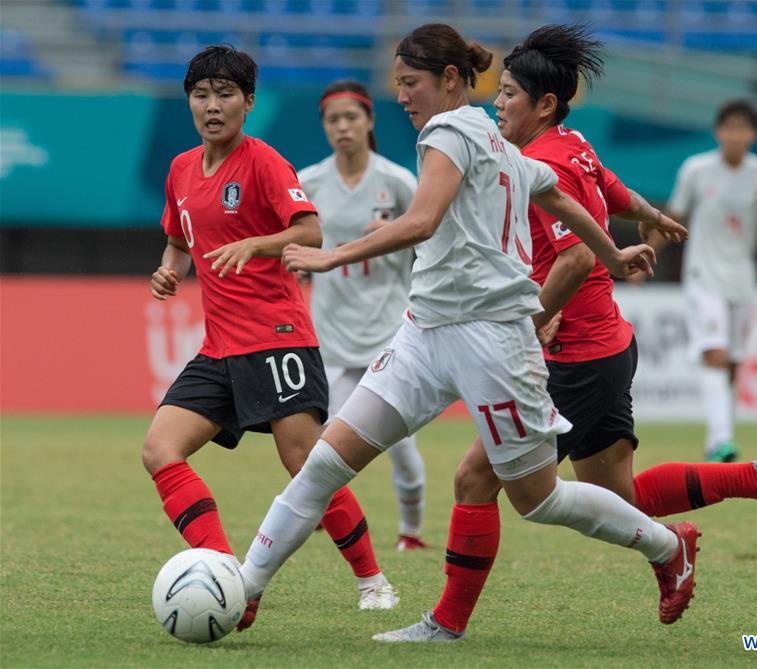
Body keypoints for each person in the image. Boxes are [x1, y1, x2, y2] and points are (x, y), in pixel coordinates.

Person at [237, 22, 701, 638]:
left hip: (493, 342)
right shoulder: (493, 134)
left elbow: (424, 220)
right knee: (325, 463)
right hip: (424, 335)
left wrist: (331, 256)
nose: (401, 96)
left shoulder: (450, 131)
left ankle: (668, 547)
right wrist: (613, 256)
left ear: (450, 80)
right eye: (397, 84)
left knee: (539, 499)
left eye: (411, 83)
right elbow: (561, 198)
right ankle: (243, 589)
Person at [374, 25, 757, 642]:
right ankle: (756, 478)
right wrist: (652, 215)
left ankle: (446, 624)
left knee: (476, 480)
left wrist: (528, 326)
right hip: (606, 346)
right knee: (621, 497)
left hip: (570, 355)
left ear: (545, 105)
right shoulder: (575, 145)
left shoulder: (538, 160)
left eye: (507, 94)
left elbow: (575, 259)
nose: (496, 103)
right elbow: (611, 190)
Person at [141, 46, 398, 630]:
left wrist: (254, 244)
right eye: (202, 95)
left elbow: (308, 228)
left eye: (226, 94)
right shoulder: (181, 169)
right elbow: (179, 239)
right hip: (219, 347)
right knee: (159, 449)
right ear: (190, 102)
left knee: (307, 463)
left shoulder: (263, 163)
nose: (213, 106)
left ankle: (372, 580)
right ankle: (226, 573)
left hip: (278, 337)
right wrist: (169, 270)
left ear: (248, 103)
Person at [299, 80, 428, 551]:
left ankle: (411, 535)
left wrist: (395, 230)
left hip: (387, 333)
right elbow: (290, 243)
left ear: (369, 121)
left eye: (351, 117)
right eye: (333, 120)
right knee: (325, 444)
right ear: (325, 128)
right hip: (331, 335)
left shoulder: (396, 181)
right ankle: (320, 515)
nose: (343, 127)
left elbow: (431, 239)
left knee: (401, 445)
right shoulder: (308, 181)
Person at [661, 100, 757, 462]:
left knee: (732, 361)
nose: (735, 134)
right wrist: (647, 251)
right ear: (718, 132)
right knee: (714, 353)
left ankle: (719, 434)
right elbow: (674, 215)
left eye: (742, 127)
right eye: (728, 127)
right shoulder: (697, 170)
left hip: (741, 279)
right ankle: (721, 439)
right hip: (703, 275)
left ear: (754, 134)